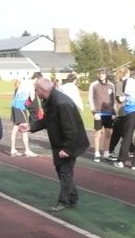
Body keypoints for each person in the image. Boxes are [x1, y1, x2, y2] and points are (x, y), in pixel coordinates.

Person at [19, 76, 89, 212]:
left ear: (41, 90)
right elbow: (47, 120)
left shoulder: (62, 103)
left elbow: (71, 129)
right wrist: (30, 127)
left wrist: (67, 149)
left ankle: (63, 201)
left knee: (65, 171)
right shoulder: (49, 100)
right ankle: (72, 197)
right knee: (61, 170)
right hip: (60, 142)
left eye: (35, 89)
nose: (35, 92)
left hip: (70, 143)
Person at [88, 68, 116, 162]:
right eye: (99, 74)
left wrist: (114, 112)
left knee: (108, 134)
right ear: (98, 74)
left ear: (106, 74)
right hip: (98, 113)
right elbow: (91, 98)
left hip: (109, 113)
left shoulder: (111, 85)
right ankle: (96, 153)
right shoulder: (94, 85)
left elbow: (114, 99)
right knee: (97, 134)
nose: (101, 75)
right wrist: (94, 112)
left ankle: (106, 153)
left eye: (103, 74)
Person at [9, 77, 38, 157]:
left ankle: (13, 150)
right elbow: (32, 99)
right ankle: (27, 150)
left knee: (15, 127)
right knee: (24, 128)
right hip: (20, 107)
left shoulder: (24, 82)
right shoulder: (31, 86)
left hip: (14, 105)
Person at [107, 66, 130, 161]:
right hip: (121, 112)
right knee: (122, 133)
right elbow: (120, 98)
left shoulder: (121, 84)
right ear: (125, 74)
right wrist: (129, 95)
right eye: (128, 74)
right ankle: (114, 152)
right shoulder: (120, 84)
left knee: (119, 133)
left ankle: (131, 149)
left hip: (122, 112)